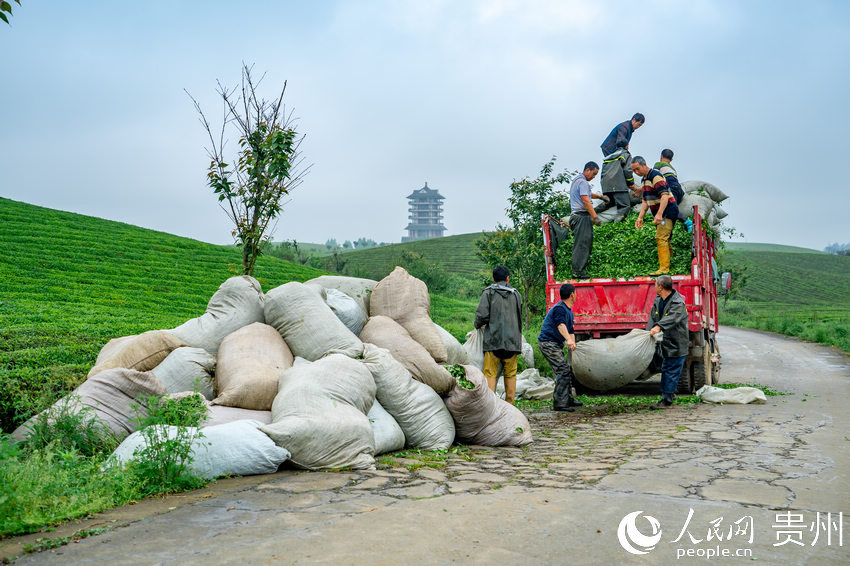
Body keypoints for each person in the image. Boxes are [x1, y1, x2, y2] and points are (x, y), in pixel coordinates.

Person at [474, 265, 523, 404]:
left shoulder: (488, 293)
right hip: (512, 343)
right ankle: (510, 405)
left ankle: (490, 405)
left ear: (493, 279)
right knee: (511, 374)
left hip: (493, 342)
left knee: (490, 374)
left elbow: (482, 315)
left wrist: (477, 325)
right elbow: (520, 318)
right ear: (507, 278)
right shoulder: (516, 294)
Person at [631, 156, 681, 275]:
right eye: (634, 171)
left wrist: (659, 215)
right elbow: (645, 201)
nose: (636, 172)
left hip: (668, 211)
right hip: (662, 213)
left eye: (637, 169)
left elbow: (664, 195)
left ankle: (664, 268)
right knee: (666, 237)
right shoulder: (644, 180)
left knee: (661, 237)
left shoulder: (655, 176)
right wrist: (640, 217)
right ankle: (671, 262)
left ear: (644, 165)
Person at [646, 275, 689, 409]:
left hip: (677, 342)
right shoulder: (659, 300)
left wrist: (658, 327)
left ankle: (666, 399)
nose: (654, 287)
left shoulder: (678, 303)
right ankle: (669, 393)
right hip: (666, 342)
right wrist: (647, 333)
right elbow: (653, 317)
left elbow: (672, 318)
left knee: (671, 370)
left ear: (661, 287)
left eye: (655, 284)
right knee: (666, 368)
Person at [538, 283, 582, 412]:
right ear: (572, 295)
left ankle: (568, 399)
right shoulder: (559, 309)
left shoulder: (568, 311)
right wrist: (568, 340)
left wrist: (574, 345)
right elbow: (561, 326)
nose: (576, 295)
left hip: (555, 343)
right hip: (548, 343)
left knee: (567, 369)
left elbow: (571, 330)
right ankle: (560, 404)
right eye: (575, 293)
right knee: (562, 370)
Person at [568, 161, 605, 279]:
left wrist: (600, 196)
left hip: (576, 217)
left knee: (582, 243)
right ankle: (578, 272)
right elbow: (585, 200)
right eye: (593, 174)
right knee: (582, 244)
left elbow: (588, 194)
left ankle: (579, 269)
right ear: (588, 170)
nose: (593, 177)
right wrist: (595, 217)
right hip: (581, 218)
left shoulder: (577, 180)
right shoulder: (583, 182)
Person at [653, 149, 693, 232]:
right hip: (679, 190)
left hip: (671, 188)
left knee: (670, 207)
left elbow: (654, 176)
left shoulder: (658, 164)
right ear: (671, 159)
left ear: (661, 156)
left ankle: (687, 221)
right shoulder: (672, 168)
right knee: (667, 209)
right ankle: (665, 224)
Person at [596, 147, 637, 222]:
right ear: (627, 146)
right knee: (624, 206)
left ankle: (590, 212)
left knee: (608, 202)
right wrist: (631, 183)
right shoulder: (625, 154)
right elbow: (627, 170)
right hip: (618, 185)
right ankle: (617, 226)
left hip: (606, 186)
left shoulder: (608, 157)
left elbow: (603, 173)